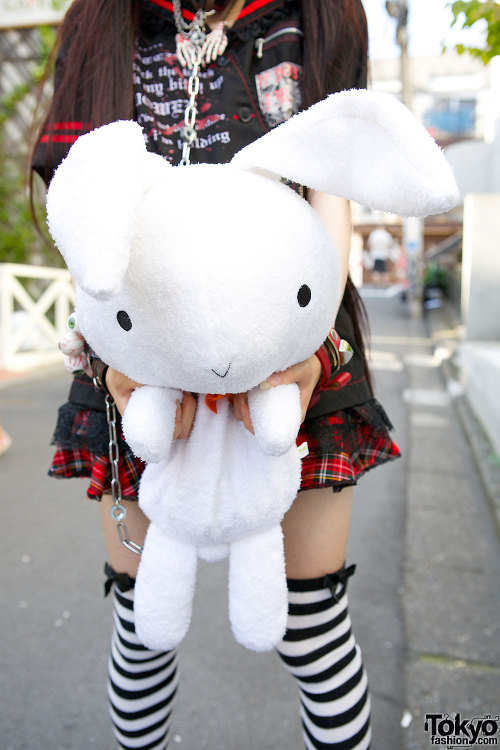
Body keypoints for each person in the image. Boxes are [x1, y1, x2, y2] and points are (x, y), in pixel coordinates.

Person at [32, 2, 400, 748]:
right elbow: (76, 196)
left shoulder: (319, 14)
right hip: (141, 366)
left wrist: (314, 348)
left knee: (313, 629)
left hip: (295, 358)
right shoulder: (105, 20)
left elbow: (330, 185)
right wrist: (112, 359)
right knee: (142, 633)